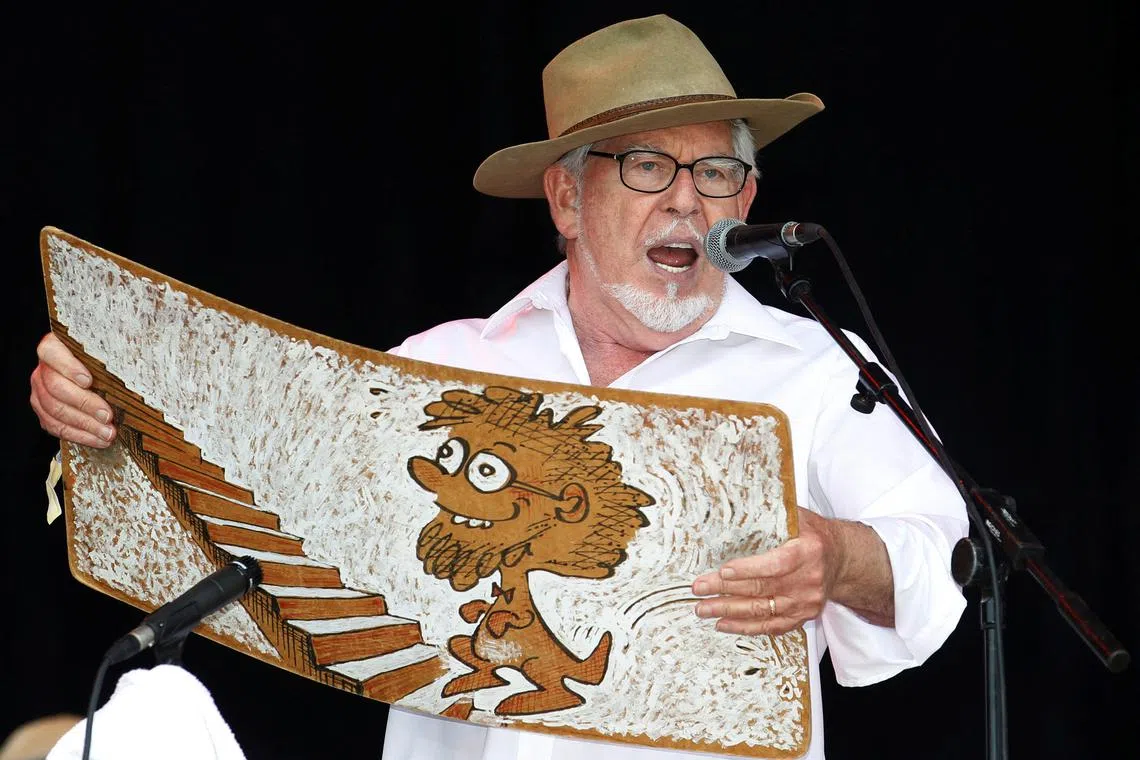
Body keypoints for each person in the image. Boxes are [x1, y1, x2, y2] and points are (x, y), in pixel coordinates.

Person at [28, 13, 969, 760]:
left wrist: (838, 558)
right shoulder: (444, 367)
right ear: (566, 199)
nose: (688, 197)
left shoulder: (822, 368)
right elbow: (259, 534)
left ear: (748, 203)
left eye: (717, 171)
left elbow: (946, 555)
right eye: (647, 166)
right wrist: (101, 420)